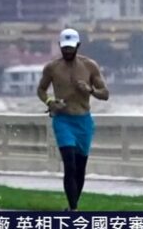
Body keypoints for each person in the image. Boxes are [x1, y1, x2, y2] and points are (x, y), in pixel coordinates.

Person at [37, 28, 109, 211]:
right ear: (60, 46)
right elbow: (41, 90)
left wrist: (90, 90)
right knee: (69, 165)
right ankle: (74, 210)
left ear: (78, 46)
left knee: (80, 168)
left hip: (83, 121)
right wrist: (50, 101)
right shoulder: (52, 68)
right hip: (63, 120)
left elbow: (105, 94)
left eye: (71, 48)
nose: (68, 51)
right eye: (64, 48)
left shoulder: (90, 66)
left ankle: (71, 208)